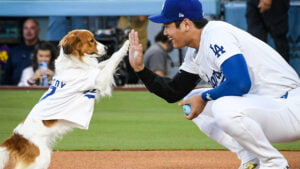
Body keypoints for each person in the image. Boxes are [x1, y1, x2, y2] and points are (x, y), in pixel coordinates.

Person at [128, 0, 300, 169]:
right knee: (190, 102)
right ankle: (251, 159)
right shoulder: (195, 50)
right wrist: (140, 69)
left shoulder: (217, 33)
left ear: (186, 24)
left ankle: (274, 163)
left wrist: (203, 97)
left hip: (289, 106)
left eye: (167, 25)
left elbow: (240, 83)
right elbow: (173, 92)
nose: (165, 32)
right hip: (268, 108)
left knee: (222, 106)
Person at [1, 18, 40, 85]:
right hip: (15, 90)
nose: (28, 31)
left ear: (38, 30)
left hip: (38, 89)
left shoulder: (45, 50)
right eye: (25, 28)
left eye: (32, 28)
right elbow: (6, 75)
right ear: (22, 31)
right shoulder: (14, 51)